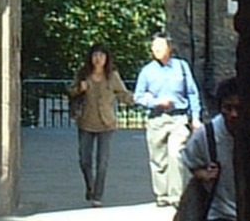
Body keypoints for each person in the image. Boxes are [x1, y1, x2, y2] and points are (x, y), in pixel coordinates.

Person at [133, 32, 201, 207]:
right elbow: (138, 97)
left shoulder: (181, 67)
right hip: (157, 118)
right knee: (158, 159)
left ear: (169, 48)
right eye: (154, 47)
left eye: (160, 46)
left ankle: (176, 196)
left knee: (175, 153)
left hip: (178, 118)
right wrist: (156, 102)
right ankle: (162, 194)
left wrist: (196, 117)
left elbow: (192, 92)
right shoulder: (147, 71)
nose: (157, 50)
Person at [181, 75, 242, 221]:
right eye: (227, 108)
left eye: (239, 108)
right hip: (220, 213)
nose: (233, 114)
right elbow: (189, 160)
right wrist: (203, 174)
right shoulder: (206, 135)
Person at [66, 43, 135, 206]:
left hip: (106, 123)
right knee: (84, 160)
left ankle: (98, 195)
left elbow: (123, 94)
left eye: (102, 56)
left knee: (102, 162)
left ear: (106, 59)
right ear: (90, 58)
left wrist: (139, 98)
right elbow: (70, 90)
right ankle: (90, 186)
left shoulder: (112, 76)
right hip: (86, 122)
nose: (98, 59)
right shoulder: (83, 74)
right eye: (95, 55)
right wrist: (79, 89)